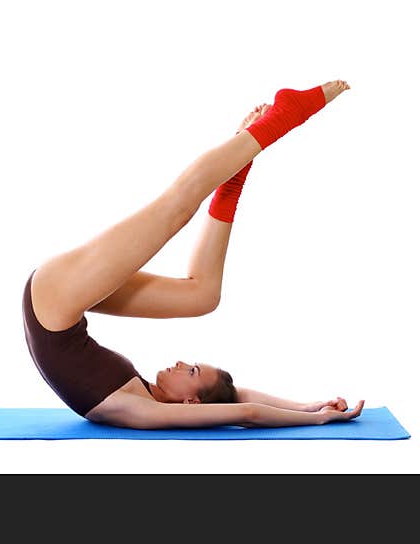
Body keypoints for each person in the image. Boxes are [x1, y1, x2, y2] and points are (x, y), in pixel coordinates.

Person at [23, 80, 365, 429]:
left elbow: (244, 412)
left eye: (192, 371)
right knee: (203, 296)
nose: (182, 362)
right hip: (60, 302)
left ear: (190, 402)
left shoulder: (141, 410)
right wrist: (308, 406)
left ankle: (285, 116)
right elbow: (238, 397)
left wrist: (316, 421)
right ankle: (233, 179)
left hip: (55, 296)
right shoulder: (151, 396)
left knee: (177, 209)